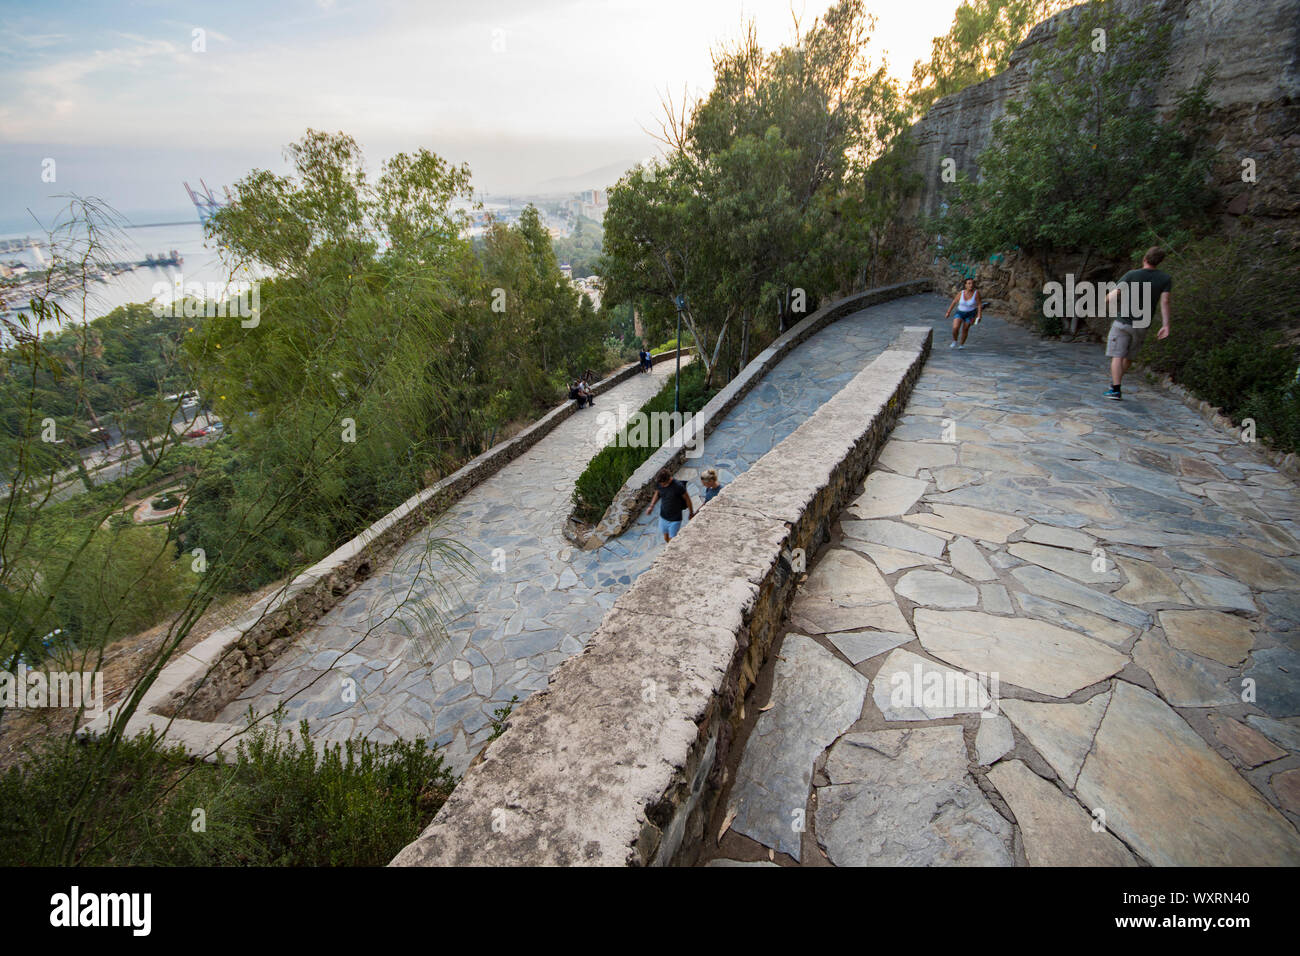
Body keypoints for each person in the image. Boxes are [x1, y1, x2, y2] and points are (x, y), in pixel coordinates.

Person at [1103, 246, 1172, 401]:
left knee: (1117, 355)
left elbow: (1112, 296)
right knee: (1129, 357)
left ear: (1144, 259)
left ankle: (1115, 389)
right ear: (1159, 262)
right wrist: (1166, 325)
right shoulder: (1165, 279)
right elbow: (1165, 301)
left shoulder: (1131, 275)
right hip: (1142, 324)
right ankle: (1115, 382)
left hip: (1123, 322)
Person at [645, 466, 694, 542]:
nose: (662, 486)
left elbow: (687, 499)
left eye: (663, 484)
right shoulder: (660, 484)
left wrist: (691, 513)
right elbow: (657, 493)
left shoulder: (678, 486)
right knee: (666, 537)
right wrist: (651, 506)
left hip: (675, 519)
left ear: (669, 480)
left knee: (672, 541)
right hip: (663, 517)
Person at [944, 277, 982, 349]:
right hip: (960, 312)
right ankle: (955, 340)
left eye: (972, 283)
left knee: (965, 328)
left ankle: (961, 344)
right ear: (965, 285)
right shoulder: (961, 293)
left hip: (970, 314)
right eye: (969, 283)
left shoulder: (976, 293)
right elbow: (954, 302)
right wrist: (948, 312)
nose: (971, 285)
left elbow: (979, 304)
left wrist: (979, 316)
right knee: (955, 327)